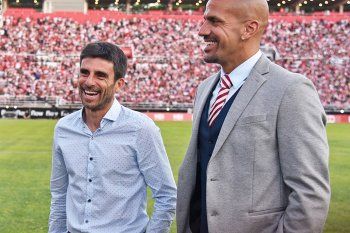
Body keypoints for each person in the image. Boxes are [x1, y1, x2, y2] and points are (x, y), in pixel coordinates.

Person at [176, 0, 330, 232]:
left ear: (248, 29)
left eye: (214, 21)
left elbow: (310, 192)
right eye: (204, 19)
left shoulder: (291, 89)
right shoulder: (205, 88)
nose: (202, 30)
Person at [49, 42, 177, 233]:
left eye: (101, 75)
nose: (89, 81)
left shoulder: (140, 128)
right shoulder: (64, 128)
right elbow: (60, 195)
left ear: (119, 84)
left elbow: (166, 196)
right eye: (85, 72)